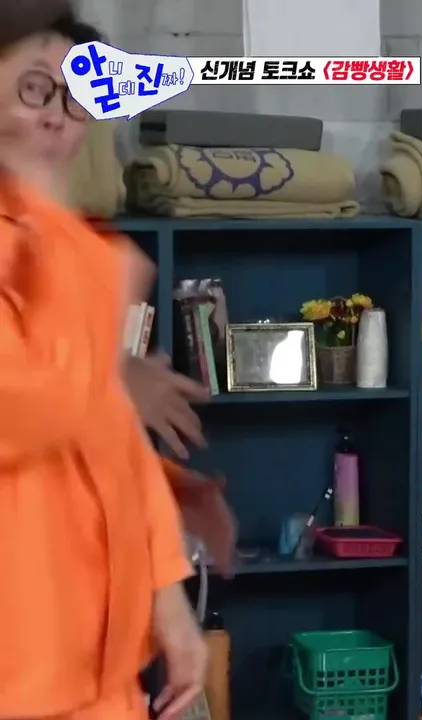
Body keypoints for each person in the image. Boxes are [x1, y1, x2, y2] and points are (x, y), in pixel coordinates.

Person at [0, 10, 214, 720]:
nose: (58, 118)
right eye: (36, 89)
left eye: (76, 99)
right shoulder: (68, 254)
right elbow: (28, 412)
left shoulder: (62, 244)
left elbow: (113, 440)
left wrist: (168, 602)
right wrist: (88, 273)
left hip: (102, 673)